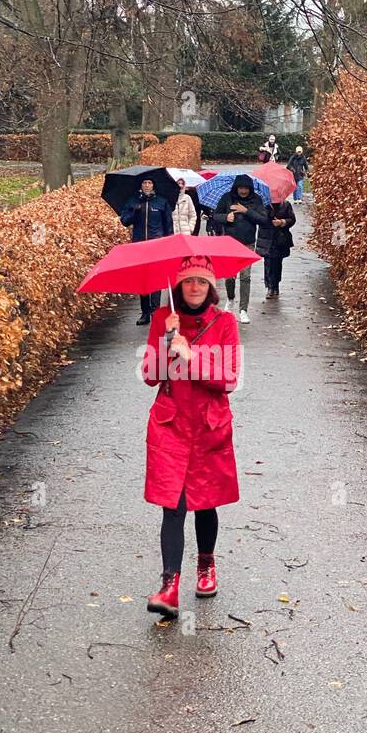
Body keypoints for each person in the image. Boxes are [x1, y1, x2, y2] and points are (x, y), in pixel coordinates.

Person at [141, 256, 241, 618]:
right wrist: (167, 344)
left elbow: (229, 379)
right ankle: (169, 587)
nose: (194, 287)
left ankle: (206, 565)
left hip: (209, 425)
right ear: (179, 286)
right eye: (187, 282)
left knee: (206, 500)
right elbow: (151, 376)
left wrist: (191, 353)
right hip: (170, 424)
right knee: (174, 503)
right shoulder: (162, 320)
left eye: (201, 281)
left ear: (210, 286)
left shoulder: (225, 322)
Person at [210, 177, 265, 323]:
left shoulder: (256, 200)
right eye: (240, 188)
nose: (243, 191)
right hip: (230, 243)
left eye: (246, 188)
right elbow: (215, 216)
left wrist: (246, 211)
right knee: (230, 276)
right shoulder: (227, 198)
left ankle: (243, 309)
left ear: (250, 189)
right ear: (236, 188)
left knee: (245, 277)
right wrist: (225, 217)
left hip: (248, 243)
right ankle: (230, 298)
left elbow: (263, 219)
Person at [120, 177, 173, 324]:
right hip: (139, 245)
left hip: (157, 244)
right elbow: (125, 221)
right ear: (141, 186)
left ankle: (155, 310)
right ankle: (145, 312)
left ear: (153, 185)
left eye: (150, 183)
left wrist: (169, 243)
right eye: (144, 183)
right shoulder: (133, 201)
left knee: (156, 278)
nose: (147, 185)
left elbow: (168, 224)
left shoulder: (162, 202)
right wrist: (135, 212)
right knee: (143, 280)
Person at [256, 196, 296, 298]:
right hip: (266, 238)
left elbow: (292, 219)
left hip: (280, 239)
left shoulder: (286, 205)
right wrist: (268, 216)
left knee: (277, 263)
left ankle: (276, 285)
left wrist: (282, 222)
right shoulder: (263, 205)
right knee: (268, 263)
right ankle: (269, 287)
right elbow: (258, 219)